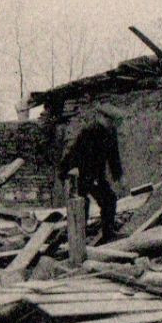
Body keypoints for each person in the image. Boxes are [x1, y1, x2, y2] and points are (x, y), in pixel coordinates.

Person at [59, 105, 125, 244]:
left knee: (109, 199)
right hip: (76, 172)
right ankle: (77, 239)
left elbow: (114, 157)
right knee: (82, 204)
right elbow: (76, 155)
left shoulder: (111, 132)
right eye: (108, 120)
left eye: (112, 121)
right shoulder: (89, 132)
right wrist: (77, 176)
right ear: (101, 117)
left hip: (95, 173)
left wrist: (119, 177)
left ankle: (108, 234)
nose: (110, 124)